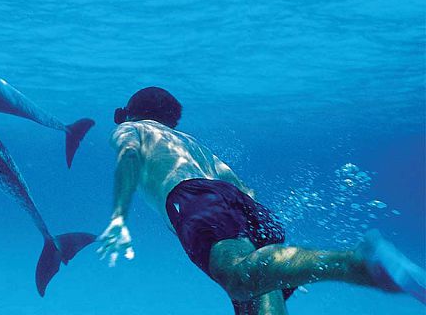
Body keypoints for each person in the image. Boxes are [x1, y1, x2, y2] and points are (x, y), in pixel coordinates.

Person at [96, 86, 426, 314]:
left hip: (192, 196)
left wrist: (118, 216)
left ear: (131, 114)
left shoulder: (132, 129)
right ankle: (289, 268)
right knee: (256, 291)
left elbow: (127, 156)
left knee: (239, 278)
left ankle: (357, 262)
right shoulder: (189, 142)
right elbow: (239, 187)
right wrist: (282, 265)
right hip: (240, 201)